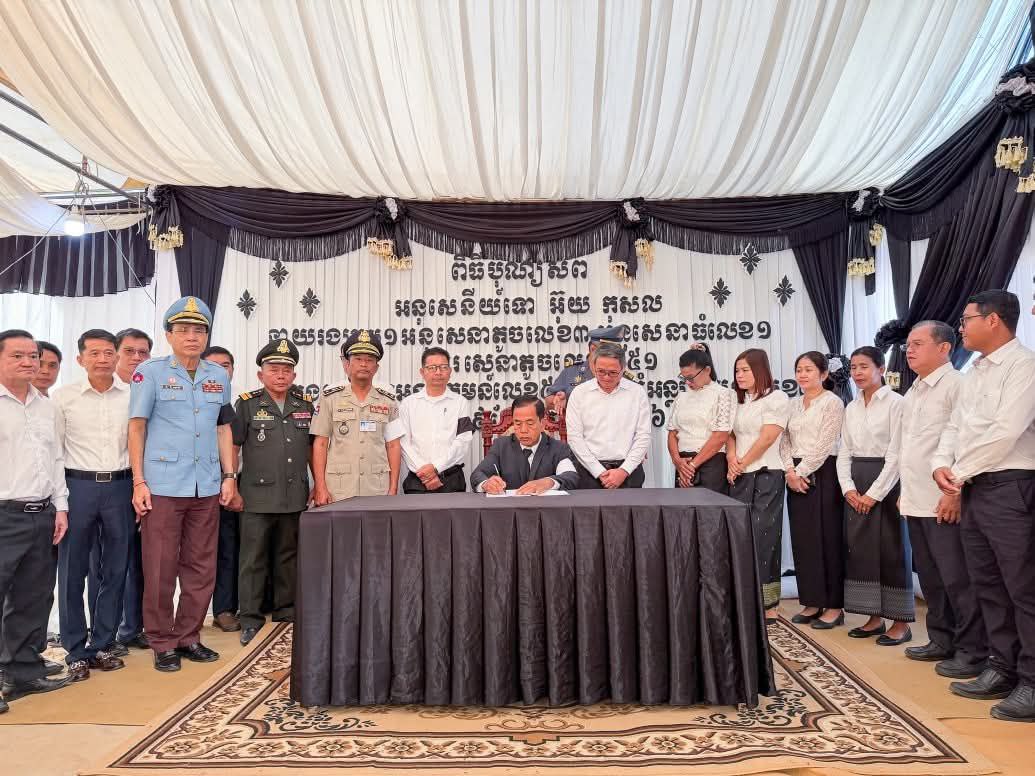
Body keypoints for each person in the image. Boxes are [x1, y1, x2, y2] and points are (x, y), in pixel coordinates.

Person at [933, 290, 1035, 722]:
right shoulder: (973, 370)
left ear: (993, 320)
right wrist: (942, 463)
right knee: (988, 584)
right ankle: (1002, 666)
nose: (961, 327)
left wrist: (957, 473)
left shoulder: (1024, 365)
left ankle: (1032, 681)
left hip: (1011, 486)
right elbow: (955, 426)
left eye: (966, 319)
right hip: (974, 487)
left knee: (1022, 588)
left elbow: (1005, 431)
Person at [128, 296, 238, 673]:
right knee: (160, 567)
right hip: (162, 485)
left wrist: (229, 476)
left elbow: (223, 429)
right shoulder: (150, 373)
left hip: (206, 485)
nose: (192, 336)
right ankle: (161, 640)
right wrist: (139, 481)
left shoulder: (218, 375)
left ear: (207, 335)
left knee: (201, 567)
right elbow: (137, 427)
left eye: (199, 330)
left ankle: (189, 635)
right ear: (169, 335)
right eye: (183, 330)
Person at [900, 321, 986, 678]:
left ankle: (973, 651)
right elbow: (907, 448)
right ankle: (941, 639)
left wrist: (955, 493)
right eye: (908, 344)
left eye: (918, 343)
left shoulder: (958, 385)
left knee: (958, 580)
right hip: (915, 499)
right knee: (932, 578)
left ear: (944, 348)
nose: (909, 350)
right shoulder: (913, 390)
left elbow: (964, 444)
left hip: (943, 499)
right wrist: (904, 494)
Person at [52, 329, 132, 682]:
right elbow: (55, 452)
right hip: (78, 486)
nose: (102, 359)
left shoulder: (132, 395)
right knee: (73, 571)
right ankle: (75, 649)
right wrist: (60, 501)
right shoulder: (63, 398)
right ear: (80, 359)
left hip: (121, 486)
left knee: (115, 568)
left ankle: (102, 643)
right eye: (94, 353)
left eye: (108, 352)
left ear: (116, 357)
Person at [0, 329, 71, 713]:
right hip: (3, 515)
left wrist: (60, 507)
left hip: (42, 514)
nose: (29, 363)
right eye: (18, 356)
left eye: (33, 356)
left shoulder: (47, 407)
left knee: (33, 596)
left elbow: (56, 459)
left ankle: (23, 672)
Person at [231, 338, 315, 646]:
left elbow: (311, 448)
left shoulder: (304, 404)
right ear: (261, 374)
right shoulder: (247, 404)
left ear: (294, 375)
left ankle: (285, 611)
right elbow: (234, 446)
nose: (280, 375)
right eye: (274, 369)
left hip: (294, 494)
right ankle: (250, 618)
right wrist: (230, 482)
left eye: (286, 370)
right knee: (252, 560)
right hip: (256, 495)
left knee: (288, 556)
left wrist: (317, 484)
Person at [837, 346, 912, 645]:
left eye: (864, 366)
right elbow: (844, 451)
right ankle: (873, 618)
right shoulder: (851, 407)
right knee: (861, 551)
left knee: (892, 551)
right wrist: (848, 488)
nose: (857, 372)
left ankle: (900, 623)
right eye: (854, 367)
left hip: (887, 483)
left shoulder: (897, 403)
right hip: (856, 482)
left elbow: (896, 454)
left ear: (881, 369)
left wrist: (874, 495)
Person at [779, 352, 845, 629]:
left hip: (824, 473)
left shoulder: (833, 403)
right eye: (799, 370)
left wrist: (801, 471)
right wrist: (789, 471)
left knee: (828, 539)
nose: (802, 374)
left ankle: (834, 606)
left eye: (808, 369)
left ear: (824, 374)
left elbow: (826, 443)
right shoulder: (792, 404)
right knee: (804, 541)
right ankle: (812, 601)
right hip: (794, 474)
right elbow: (784, 440)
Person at [726, 348, 789, 618]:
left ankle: (768, 604)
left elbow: (767, 438)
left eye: (745, 370)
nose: (739, 375)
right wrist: (731, 459)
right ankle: (744, 598)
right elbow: (729, 434)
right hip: (739, 474)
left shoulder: (777, 398)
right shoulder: (737, 400)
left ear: (760, 370)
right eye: (737, 370)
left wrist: (741, 463)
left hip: (767, 474)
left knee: (764, 537)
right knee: (739, 536)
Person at [311, 330, 402, 504]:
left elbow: (393, 445)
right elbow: (320, 443)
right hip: (339, 488)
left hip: (377, 488)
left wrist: (393, 488)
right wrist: (320, 487)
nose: (364, 364)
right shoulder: (330, 398)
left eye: (370, 360)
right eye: (358, 359)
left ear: (376, 367)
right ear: (347, 364)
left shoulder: (388, 401)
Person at [565, 342, 652, 489]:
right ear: (593, 367)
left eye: (612, 372)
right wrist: (599, 472)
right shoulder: (580, 393)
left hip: (628, 472)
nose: (606, 377)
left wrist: (624, 471)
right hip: (588, 472)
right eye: (601, 371)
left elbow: (643, 436)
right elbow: (574, 438)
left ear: (623, 369)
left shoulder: (637, 393)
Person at [398, 347, 473, 494]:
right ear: (422, 372)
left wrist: (436, 467)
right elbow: (404, 443)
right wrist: (426, 474)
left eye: (443, 367)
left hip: (451, 480)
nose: (438, 372)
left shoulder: (460, 402)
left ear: (450, 371)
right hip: (417, 480)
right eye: (432, 368)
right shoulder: (408, 404)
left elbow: (463, 441)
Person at [202, 346, 241, 633]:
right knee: (193, 554)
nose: (219, 371)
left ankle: (224, 609)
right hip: (191, 486)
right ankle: (187, 615)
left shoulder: (240, 404)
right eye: (213, 365)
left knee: (228, 549)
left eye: (225, 365)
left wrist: (233, 481)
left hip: (229, 485)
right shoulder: (187, 400)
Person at [471, 395, 580, 494]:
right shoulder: (501, 446)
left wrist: (549, 482)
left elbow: (571, 476)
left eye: (530, 423)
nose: (523, 430)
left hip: (545, 508)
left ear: (542, 424)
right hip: (509, 508)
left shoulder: (558, 448)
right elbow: (478, 474)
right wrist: (486, 484)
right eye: (518, 423)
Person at [666, 346, 734, 493]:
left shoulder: (723, 394)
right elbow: (672, 433)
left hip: (711, 464)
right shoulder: (681, 397)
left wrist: (692, 466)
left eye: (691, 377)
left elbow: (720, 436)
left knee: (710, 508)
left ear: (707, 370)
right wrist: (677, 462)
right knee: (681, 507)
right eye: (684, 378)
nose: (687, 382)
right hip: (683, 464)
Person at [544, 325, 631, 416]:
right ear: (592, 349)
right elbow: (548, 401)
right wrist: (559, 400)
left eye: (615, 352)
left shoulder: (621, 375)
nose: (613, 355)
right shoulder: (571, 372)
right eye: (607, 352)